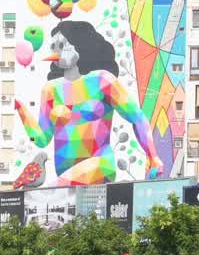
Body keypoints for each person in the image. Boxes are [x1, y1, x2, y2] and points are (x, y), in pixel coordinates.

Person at [14, 21, 162, 187]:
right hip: (65, 176)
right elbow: (41, 139)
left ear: (80, 45)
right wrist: (21, 110)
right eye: (53, 47)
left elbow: (136, 117)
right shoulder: (50, 90)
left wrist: (153, 156)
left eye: (62, 45)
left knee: (51, 189)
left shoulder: (102, 80)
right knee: (56, 192)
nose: (56, 51)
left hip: (99, 166)